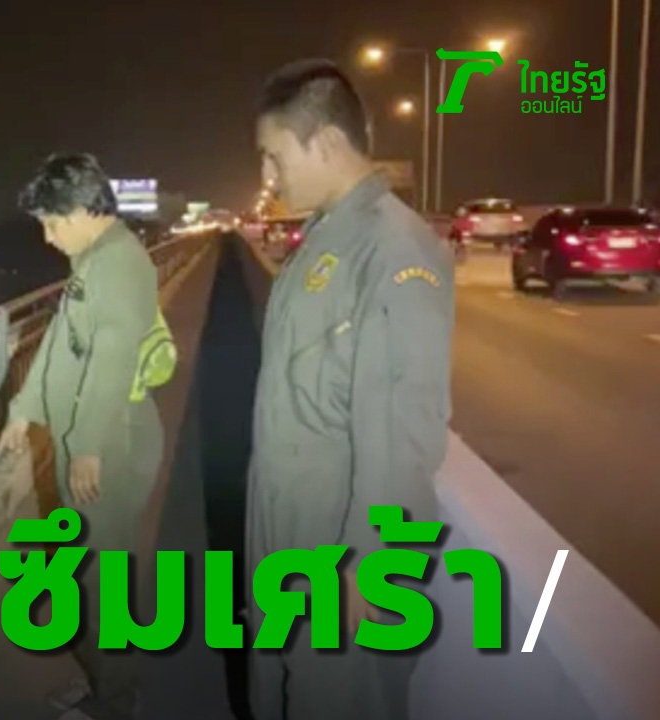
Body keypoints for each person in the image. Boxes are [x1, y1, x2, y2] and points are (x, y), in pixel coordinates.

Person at [245, 59, 455, 720]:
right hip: (289, 532)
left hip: (343, 555)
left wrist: (373, 560)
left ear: (328, 143)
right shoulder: (325, 240)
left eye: (274, 156)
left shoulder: (393, 252)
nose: (268, 176)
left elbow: (405, 428)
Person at [0, 152, 167, 720]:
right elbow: (60, 344)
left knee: (100, 577)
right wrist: (23, 412)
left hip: (111, 438)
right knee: (90, 568)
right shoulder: (94, 259)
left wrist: (88, 446)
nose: (47, 238)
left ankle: (116, 699)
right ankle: (105, 678)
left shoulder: (116, 263)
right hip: (95, 433)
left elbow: (111, 360)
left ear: (82, 210)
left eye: (52, 223)